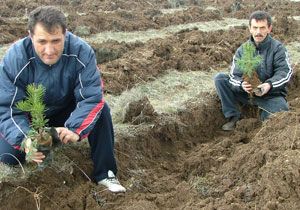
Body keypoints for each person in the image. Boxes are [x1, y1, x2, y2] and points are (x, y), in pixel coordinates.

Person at [0, 6, 126, 193]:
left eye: (56, 41)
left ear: (65, 34)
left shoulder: (81, 52)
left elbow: (91, 98)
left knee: (103, 110)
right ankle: (46, 139)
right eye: (42, 41)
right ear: (30, 35)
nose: (49, 50)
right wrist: (27, 139)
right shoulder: (16, 58)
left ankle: (106, 173)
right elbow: (7, 108)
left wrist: (76, 128)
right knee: (9, 157)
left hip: (67, 111)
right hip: (31, 117)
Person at [214, 11, 293, 131]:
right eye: (255, 27)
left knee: (279, 113)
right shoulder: (243, 50)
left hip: (270, 96)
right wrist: (242, 85)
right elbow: (234, 76)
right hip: (247, 93)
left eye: (262, 28)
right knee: (220, 79)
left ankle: (262, 121)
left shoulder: (278, 49)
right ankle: (234, 116)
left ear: (269, 29)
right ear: (250, 28)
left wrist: (269, 85)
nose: (258, 32)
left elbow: (284, 73)